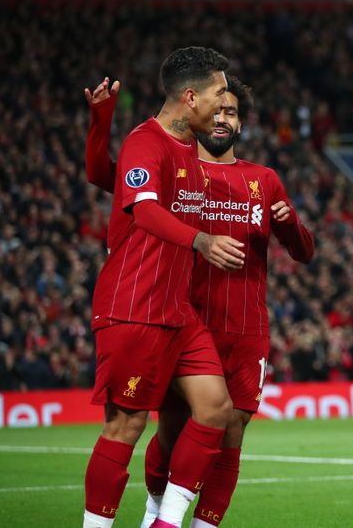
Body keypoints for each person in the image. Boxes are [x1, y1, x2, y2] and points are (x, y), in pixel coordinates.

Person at [84, 75, 315, 527]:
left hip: (246, 328)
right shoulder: (178, 164)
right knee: (165, 433)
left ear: (242, 124)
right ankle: (156, 513)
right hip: (185, 314)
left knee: (229, 426)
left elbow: (304, 251)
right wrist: (100, 122)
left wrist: (290, 225)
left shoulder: (263, 180)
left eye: (232, 112)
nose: (223, 117)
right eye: (219, 108)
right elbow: (110, 180)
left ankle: (180, 522)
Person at [82, 46, 244, 528]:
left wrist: (98, 125)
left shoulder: (187, 148)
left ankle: (166, 522)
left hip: (177, 308)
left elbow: (101, 176)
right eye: (219, 94)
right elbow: (142, 208)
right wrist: (200, 241)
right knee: (125, 425)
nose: (224, 104)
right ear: (190, 97)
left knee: (216, 410)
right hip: (135, 304)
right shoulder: (146, 140)